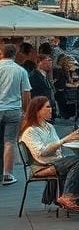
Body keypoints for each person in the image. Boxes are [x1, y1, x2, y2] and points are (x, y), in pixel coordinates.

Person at [18, 96, 79, 212]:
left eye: (51, 106)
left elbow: (57, 146)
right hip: (41, 166)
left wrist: (73, 138)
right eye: (47, 107)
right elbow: (41, 152)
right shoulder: (30, 131)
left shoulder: (49, 127)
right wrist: (65, 140)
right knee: (77, 161)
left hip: (55, 161)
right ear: (37, 111)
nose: (51, 109)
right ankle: (68, 196)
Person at [0, 43, 31, 185]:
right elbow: (26, 94)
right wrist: (26, 111)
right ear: (15, 54)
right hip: (13, 109)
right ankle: (7, 174)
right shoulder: (20, 71)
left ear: (1, 53)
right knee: (9, 142)